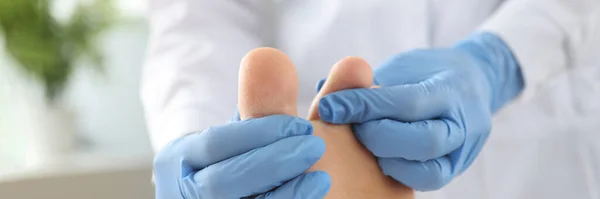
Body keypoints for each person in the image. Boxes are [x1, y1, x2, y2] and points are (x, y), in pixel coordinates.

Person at [142, 0, 600, 198]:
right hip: (307, 141)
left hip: (548, 146)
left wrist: (504, 57)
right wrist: (195, 140)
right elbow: (197, 20)